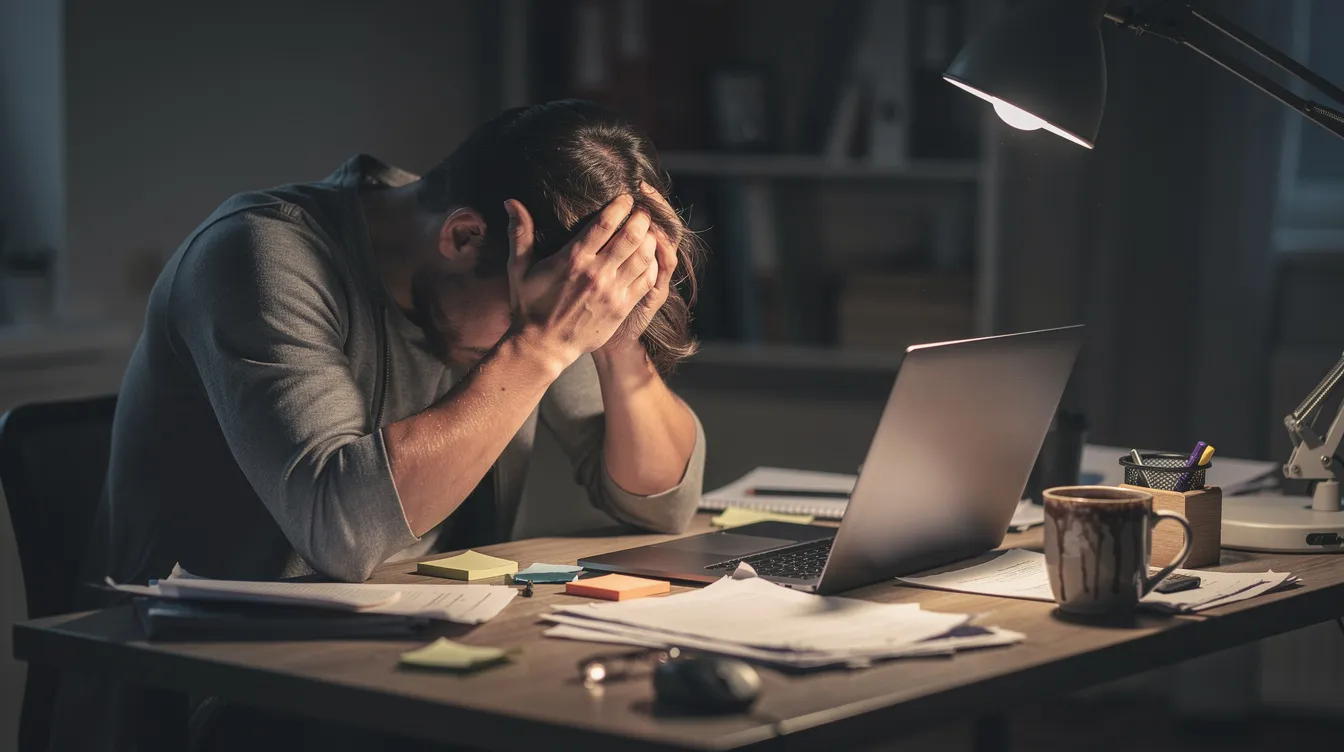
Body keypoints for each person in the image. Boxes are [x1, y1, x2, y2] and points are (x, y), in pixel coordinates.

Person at [51, 100, 709, 750]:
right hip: (221, 690)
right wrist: (539, 346)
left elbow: (661, 503)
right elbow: (343, 530)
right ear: (461, 237)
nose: (554, 338)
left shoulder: (521, 270)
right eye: (548, 319)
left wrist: (620, 342)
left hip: (416, 666)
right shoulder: (258, 257)